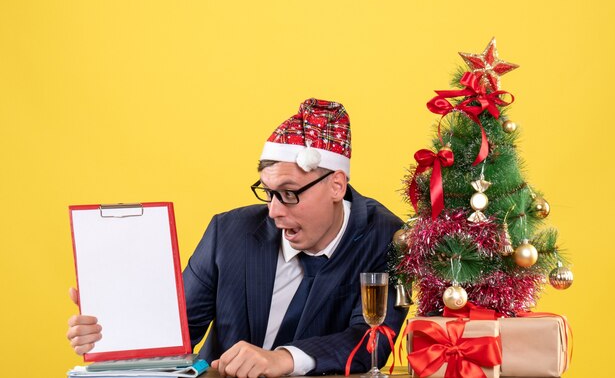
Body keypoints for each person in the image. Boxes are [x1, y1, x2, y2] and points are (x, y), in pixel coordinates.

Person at [67, 99, 407, 377]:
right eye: (268, 192)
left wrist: (283, 359)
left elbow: (372, 340)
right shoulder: (229, 232)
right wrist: (114, 329)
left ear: (336, 185)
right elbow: (176, 333)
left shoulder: (387, 238)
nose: (273, 211)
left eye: (289, 194)